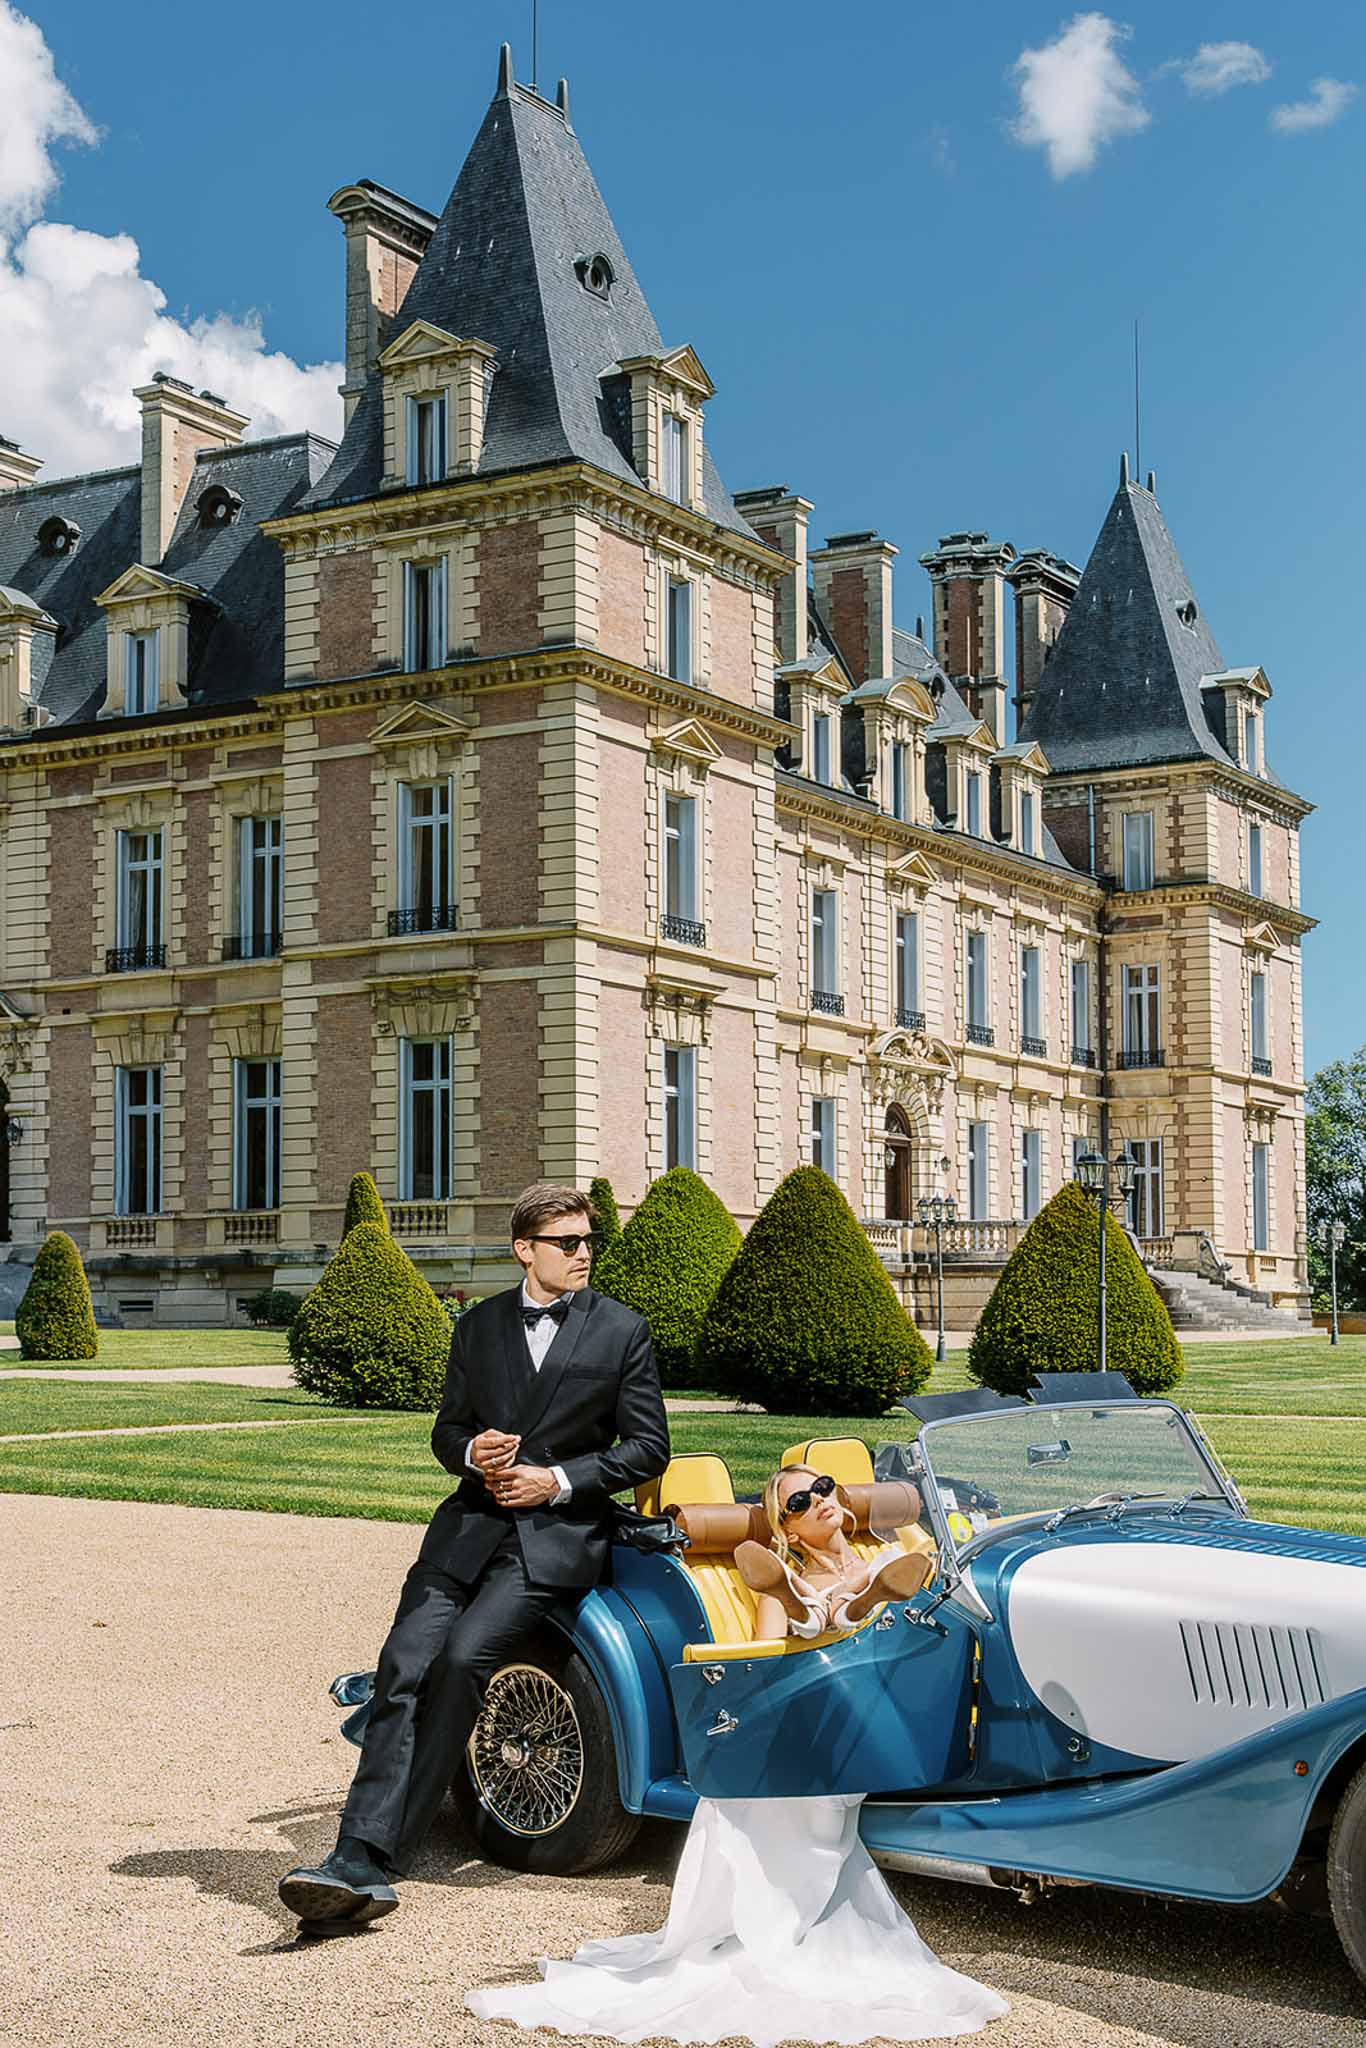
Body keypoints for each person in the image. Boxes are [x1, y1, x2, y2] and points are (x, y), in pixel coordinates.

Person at [465, 1463, 1008, 2046]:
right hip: (817, 1705)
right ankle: (824, 1612)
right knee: (804, 1628)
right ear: (789, 1531)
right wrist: (802, 1601)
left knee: (869, 1606)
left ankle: (849, 1608)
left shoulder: (901, 1550)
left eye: (824, 1488)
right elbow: (762, 1657)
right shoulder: (783, 1571)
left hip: (901, 1686)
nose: (817, 1500)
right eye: (797, 1502)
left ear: (844, 1500)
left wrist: (866, 1590)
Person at [279, 1181, 670, 1930]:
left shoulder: (623, 1330)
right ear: (526, 1249)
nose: (584, 1252)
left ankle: (374, 1854)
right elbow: (446, 1432)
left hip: (553, 1542)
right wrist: (471, 1451)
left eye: (588, 1241)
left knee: (461, 1661)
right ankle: (358, 1859)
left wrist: (555, 1480)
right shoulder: (479, 1326)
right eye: (568, 1242)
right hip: (465, 1532)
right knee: (401, 1668)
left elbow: (649, 1449)